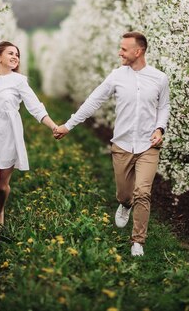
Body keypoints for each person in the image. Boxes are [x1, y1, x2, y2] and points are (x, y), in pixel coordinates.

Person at [54, 32, 170, 257]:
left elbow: (163, 107)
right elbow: (93, 101)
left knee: (143, 192)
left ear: (138, 51)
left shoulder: (159, 78)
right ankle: (125, 204)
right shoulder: (116, 77)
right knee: (126, 194)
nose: (120, 52)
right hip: (123, 144)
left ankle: (138, 241)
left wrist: (160, 128)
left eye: (124, 49)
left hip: (148, 145)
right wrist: (69, 125)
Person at [0, 41, 58, 246]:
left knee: (2, 186)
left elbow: (35, 107)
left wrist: (53, 126)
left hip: (9, 134)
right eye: (10, 53)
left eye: (17, 55)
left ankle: (0, 209)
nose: (15, 57)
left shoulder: (19, 81)